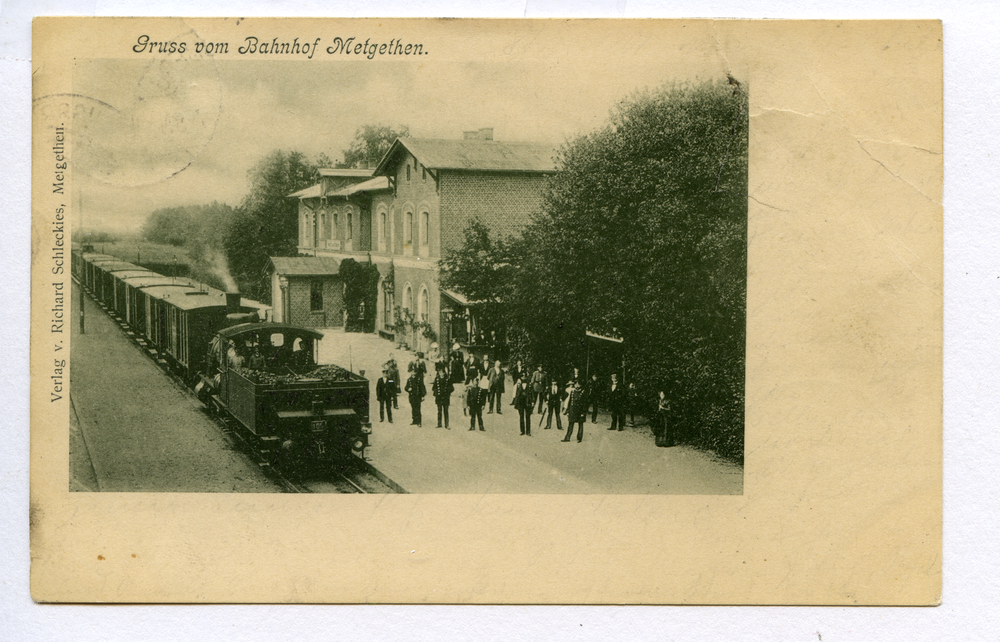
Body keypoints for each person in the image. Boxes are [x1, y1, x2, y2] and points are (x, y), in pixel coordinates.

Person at [432, 363, 454, 429]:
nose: (441, 373)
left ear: (444, 373)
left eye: (442, 372)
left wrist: (447, 392)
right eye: (439, 372)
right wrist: (436, 393)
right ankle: (439, 424)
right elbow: (434, 387)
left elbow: (452, 388)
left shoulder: (447, 379)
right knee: (439, 411)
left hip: (445, 397)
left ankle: (447, 424)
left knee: (446, 411)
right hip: (439, 397)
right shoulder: (437, 379)